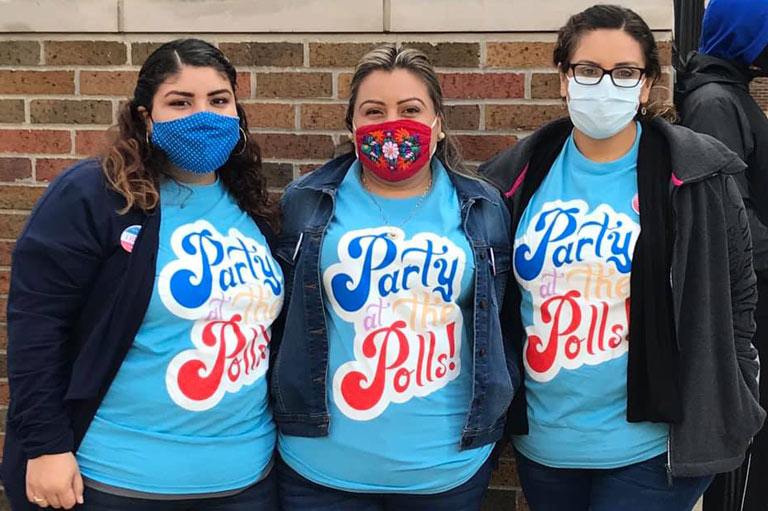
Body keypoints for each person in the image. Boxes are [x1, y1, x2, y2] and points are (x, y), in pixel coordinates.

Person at [479, 5, 765, 511]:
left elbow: (738, 293)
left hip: (652, 451)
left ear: (647, 85)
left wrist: (734, 392)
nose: (603, 85)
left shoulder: (698, 174)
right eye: (587, 70)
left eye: (625, 72)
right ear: (564, 79)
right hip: (546, 447)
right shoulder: (514, 177)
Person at [1, 39, 283, 510]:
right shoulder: (94, 196)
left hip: (245, 481)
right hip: (119, 481)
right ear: (145, 116)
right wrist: (46, 445)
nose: (204, 115)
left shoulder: (251, 210)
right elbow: (37, 325)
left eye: (218, 101)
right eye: (180, 102)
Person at [271, 44, 515, 511]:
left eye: (410, 110)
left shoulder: (484, 208)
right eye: (373, 111)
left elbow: (503, 325)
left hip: (446, 474)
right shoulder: (306, 201)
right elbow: (280, 324)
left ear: (438, 124)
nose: (391, 123)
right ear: (352, 126)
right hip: (319, 474)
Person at [676, 1, 768, 508]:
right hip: (751, 297)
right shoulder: (715, 101)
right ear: (748, 34)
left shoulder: (731, 93)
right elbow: (727, 216)